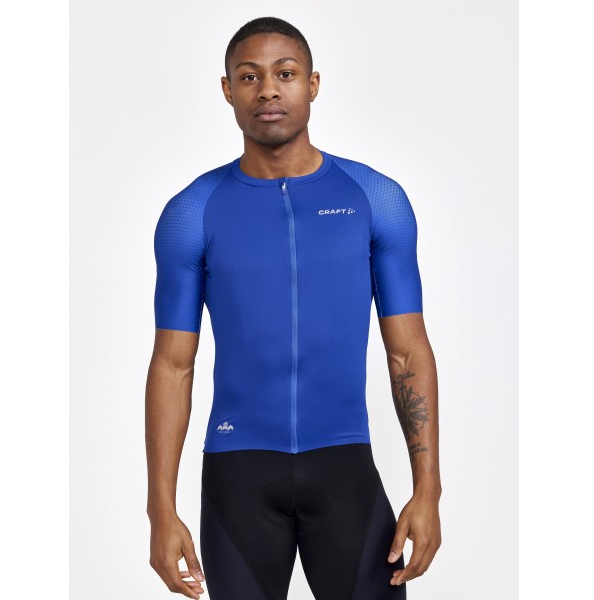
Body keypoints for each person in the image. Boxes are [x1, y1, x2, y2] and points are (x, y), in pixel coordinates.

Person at [145, 16, 442, 600]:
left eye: (285, 74)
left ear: (313, 84)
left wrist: (427, 489)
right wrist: (160, 508)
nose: (268, 90)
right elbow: (172, 366)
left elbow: (407, 353)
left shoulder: (374, 199)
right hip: (238, 474)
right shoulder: (192, 212)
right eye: (249, 76)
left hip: (345, 469)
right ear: (227, 90)